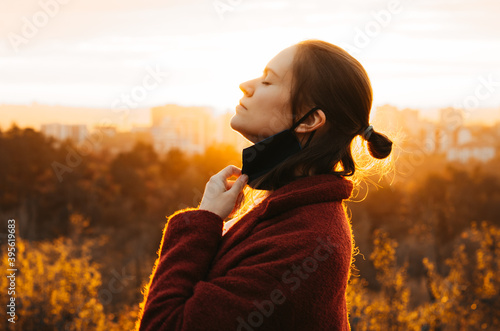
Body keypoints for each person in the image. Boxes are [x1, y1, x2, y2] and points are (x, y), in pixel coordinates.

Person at [136, 39, 393, 331]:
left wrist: (203, 220)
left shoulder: (304, 245)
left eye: (268, 81)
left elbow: (164, 325)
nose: (246, 84)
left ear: (309, 120)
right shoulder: (289, 212)